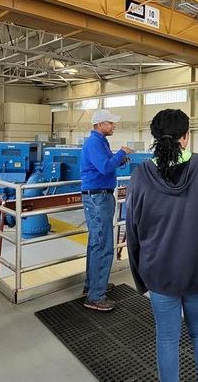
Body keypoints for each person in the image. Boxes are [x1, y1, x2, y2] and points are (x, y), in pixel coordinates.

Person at [126, 109, 198, 382]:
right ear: (186, 137)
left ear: (153, 138)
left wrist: (141, 277)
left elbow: (133, 230)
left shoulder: (141, 174)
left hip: (159, 274)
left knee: (166, 338)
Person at [80, 109, 134, 312]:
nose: (113, 126)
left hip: (100, 195)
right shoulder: (94, 143)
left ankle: (94, 286)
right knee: (102, 245)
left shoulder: (100, 142)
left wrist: (120, 159)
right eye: (110, 123)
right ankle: (95, 296)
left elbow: (107, 164)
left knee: (97, 243)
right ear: (100, 124)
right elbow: (104, 166)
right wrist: (122, 153)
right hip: (97, 197)